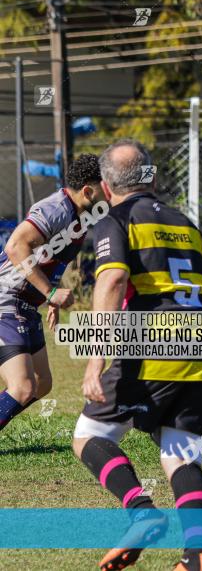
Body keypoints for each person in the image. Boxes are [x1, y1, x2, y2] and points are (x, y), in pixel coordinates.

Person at [71, 140, 202, 571]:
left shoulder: (116, 220)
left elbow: (113, 281)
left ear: (104, 186)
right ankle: (194, 559)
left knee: (90, 435)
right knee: (180, 453)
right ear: (154, 178)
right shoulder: (186, 224)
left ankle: (141, 512)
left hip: (155, 343)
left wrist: (95, 359)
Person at [0, 154, 105, 433]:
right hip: (6, 299)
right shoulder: (57, 208)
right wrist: (49, 291)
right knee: (23, 387)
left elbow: (46, 257)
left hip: (25, 303)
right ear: (88, 190)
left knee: (41, 382)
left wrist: (50, 297)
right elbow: (15, 247)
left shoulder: (81, 216)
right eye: (106, 187)